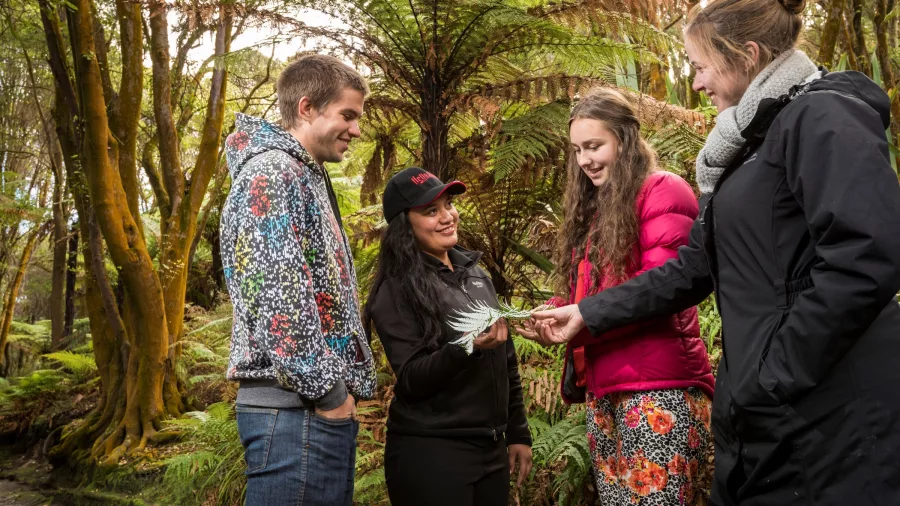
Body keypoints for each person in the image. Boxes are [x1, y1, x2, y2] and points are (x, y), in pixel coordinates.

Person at [527, 0, 900, 504]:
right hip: (771, 414)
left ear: (745, 55)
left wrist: (774, 373)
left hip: (832, 412)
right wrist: (586, 313)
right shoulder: (747, 144)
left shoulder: (822, 114)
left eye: (700, 67)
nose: (697, 83)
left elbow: (867, 253)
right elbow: (693, 268)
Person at [518, 88, 714, 504]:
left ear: (624, 139)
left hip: (658, 388)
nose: (585, 160)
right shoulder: (597, 211)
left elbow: (663, 286)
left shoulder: (662, 191)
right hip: (605, 389)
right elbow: (596, 295)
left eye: (594, 146)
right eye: (576, 150)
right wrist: (554, 314)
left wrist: (583, 314)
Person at [220, 54, 377, 505]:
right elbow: (277, 298)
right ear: (307, 108)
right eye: (347, 115)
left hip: (305, 412)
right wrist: (328, 392)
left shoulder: (302, 175)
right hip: (294, 415)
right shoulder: (271, 174)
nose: (356, 129)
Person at [364, 167, 532, 506]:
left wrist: (517, 431)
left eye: (449, 205)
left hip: (490, 448)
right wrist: (466, 346)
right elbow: (411, 378)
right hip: (434, 452)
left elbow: (505, 359)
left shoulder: (475, 274)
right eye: (431, 211)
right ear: (404, 224)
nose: (447, 217)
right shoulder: (395, 289)